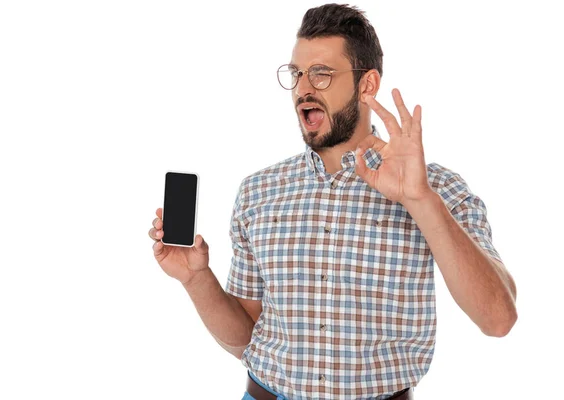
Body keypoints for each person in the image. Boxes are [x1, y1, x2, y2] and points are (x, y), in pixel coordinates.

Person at [148, 4, 518, 399]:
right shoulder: (258, 192)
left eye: (321, 74)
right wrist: (195, 278)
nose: (303, 88)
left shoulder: (436, 188)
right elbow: (245, 338)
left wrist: (420, 200)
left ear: (367, 85)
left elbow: (497, 319)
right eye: (296, 73)